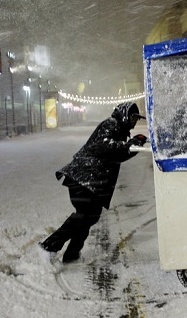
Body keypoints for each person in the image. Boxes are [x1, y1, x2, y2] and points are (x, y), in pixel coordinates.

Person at [37, 102, 147, 263]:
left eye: (136, 119)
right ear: (124, 114)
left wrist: (133, 145)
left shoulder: (120, 131)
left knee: (90, 217)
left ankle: (72, 255)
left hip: (91, 181)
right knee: (83, 215)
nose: (134, 122)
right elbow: (104, 146)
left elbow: (118, 155)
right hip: (82, 177)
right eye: (132, 117)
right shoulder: (111, 124)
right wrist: (130, 145)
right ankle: (48, 246)